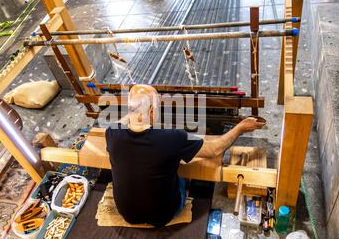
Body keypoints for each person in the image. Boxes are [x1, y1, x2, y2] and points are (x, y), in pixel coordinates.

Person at [105, 84, 265, 227]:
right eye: (158, 107)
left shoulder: (111, 133)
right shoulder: (172, 137)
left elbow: (123, 121)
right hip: (163, 215)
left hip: (127, 214)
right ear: (152, 111)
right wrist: (241, 127)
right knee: (181, 177)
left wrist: (137, 111)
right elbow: (214, 150)